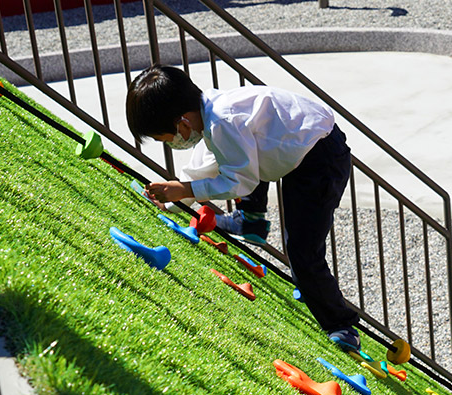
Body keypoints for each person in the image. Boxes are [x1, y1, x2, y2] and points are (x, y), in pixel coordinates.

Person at [125, 64, 361, 351]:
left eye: (165, 138)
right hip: (299, 142)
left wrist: (185, 190)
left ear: (182, 123)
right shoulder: (210, 111)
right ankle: (251, 221)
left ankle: (341, 324)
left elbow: (241, 182)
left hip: (319, 159)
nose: (171, 143)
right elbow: (208, 164)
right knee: (239, 159)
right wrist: (175, 198)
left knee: (302, 249)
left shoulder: (222, 123)